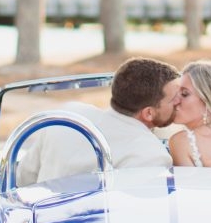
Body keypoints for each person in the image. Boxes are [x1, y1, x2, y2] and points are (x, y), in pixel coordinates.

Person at [15, 56, 181, 185]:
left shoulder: (67, 114)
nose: (179, 102)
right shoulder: (151, 155)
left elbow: (23, 177)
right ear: (149, 113)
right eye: (174, 98)